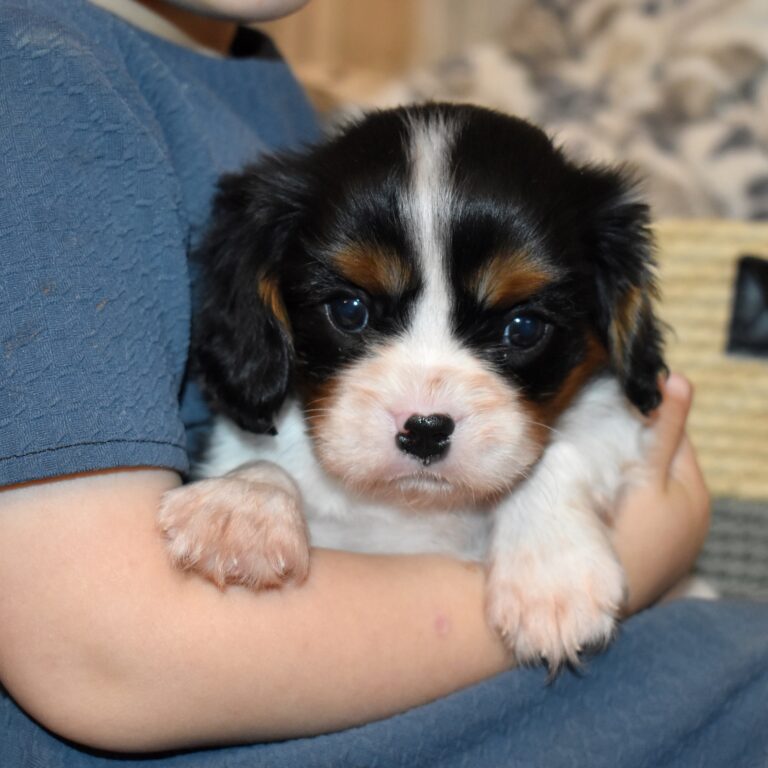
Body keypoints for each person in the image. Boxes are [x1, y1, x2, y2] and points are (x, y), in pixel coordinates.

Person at [0, 1, 764, 766]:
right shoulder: (43, 88)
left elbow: (621, 410)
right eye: (352, 311)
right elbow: (96, 648)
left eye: (521, 331)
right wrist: (640, 557)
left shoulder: (257, 78)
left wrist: (554, 492)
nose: (427, 409)